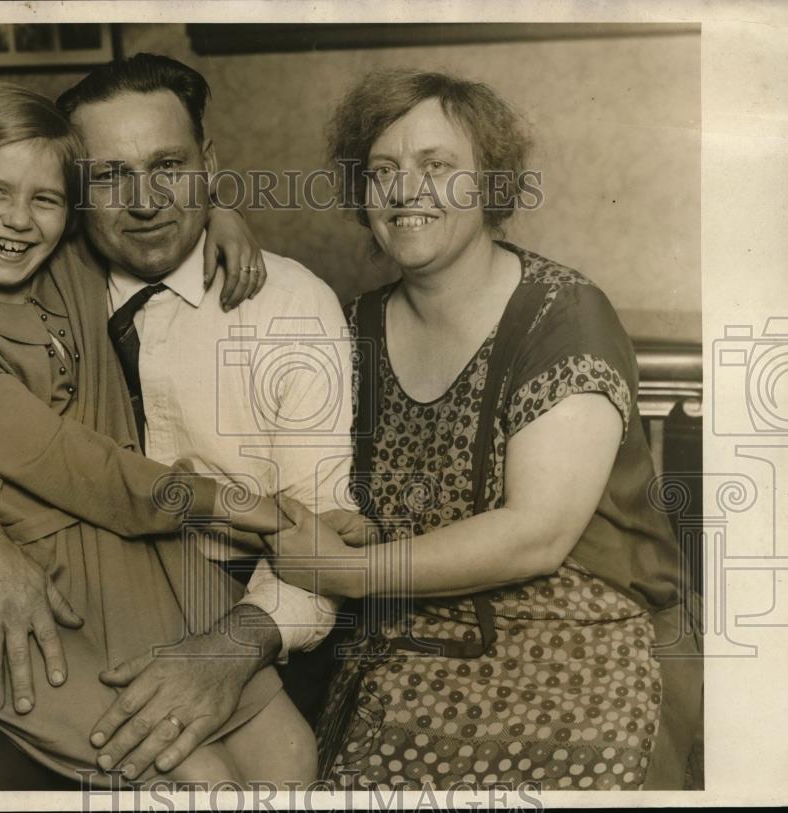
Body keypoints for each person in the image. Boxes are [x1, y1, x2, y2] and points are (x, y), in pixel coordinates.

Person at [0, 56, 356, 787]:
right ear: (84, 193)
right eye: (112, 176)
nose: (146, 201)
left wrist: (232, 644)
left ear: (208, 164)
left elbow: (320, 528)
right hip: (49, 594)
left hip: (239, 602)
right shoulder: (55, 266)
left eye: (170, 167)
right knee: (180, 780)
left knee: (285, 762)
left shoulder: (289, 309)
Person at [262, 68, 701, 791]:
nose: (407, 191)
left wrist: (349, 571)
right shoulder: (351, 325)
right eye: (384, 172)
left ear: (492, 184)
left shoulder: (562, 314)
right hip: (412, 639)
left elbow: (537, 533)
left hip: (582, 631)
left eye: (437, 167)